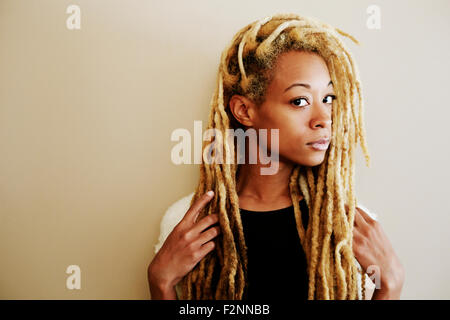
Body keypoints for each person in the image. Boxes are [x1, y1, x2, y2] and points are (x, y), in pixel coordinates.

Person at [148, 13, 405, 300]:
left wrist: (390, 286)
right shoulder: (191, 225)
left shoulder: (348, 225)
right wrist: (160, 283)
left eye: (328, 99)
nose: (324, 119)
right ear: (245, 111)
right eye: (300, 101)